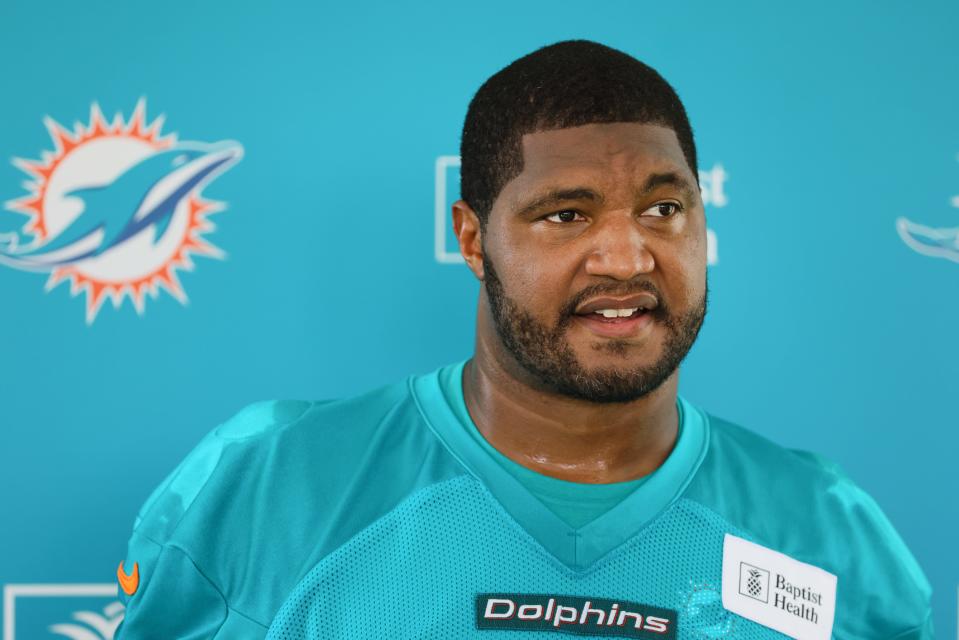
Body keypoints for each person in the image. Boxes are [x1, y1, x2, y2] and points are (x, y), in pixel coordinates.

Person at [114, 40, 933, 639]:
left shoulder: (826, 530)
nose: (626, 255)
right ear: (472, 239)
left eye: (663, 209)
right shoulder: (267, 486)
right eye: (566, 215)